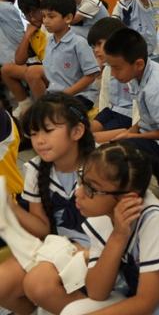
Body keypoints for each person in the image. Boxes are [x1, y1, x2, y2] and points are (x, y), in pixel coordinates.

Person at [61, 142, 159, 315]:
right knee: (72, 311)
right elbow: (97, 292)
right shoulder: (104, 214)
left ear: (127, 198)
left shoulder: (155, 220)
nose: (78, 193)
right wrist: (118, 237)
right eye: (81, 180)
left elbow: (146, 303)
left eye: (90, 189)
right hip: (143, 298)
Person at [0, 93, 94, 314]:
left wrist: (89, 253)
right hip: (60, 246)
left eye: (48, 130)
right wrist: (10, 205)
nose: (39, 140)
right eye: (33, 134)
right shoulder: (36, 168)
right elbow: (42, 228)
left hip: (100, 251)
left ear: (77, 131)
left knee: (39, 285)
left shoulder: (102, 164)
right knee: (2, 282)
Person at [103, 28, 159, 167]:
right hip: (154, 133)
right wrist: (131, 132)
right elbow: (146, 117)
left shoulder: (157, 87)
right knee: (112, 146)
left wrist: (134, 136)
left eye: (117, 68)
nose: (113, 74)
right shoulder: (138, 74)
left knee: (119, 157)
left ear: (138, 64)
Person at [34, 0, 101, 110]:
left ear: (68, 18)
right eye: (43, 16)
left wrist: (65, 94)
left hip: (80, 96)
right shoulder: (49, 42)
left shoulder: (78, 43)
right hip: (57, 95)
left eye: (51, 16)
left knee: (59, 114)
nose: (45, 21)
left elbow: (91, 75)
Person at [1, 0, 46, 117]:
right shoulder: (32, 30)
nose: (31, 17)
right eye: (27, 14)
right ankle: (25, 104)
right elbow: (19, 60)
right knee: (7, 70)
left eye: (34, 12)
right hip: (34, 65)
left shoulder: (48, 23)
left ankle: (43, 112)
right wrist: (27, 35)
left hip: (52, 68)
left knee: (32, 73)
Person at [87, 17, 136, 144]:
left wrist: (134, 130)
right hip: (111, 110)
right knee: (84, 132)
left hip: (129, 115)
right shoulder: (108, 68)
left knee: (92, 140)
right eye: (94, 46)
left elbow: (139, 104)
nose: (96, 50)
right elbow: (104, 96)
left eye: (99, 44)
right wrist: (102, 113)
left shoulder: (132, 67)